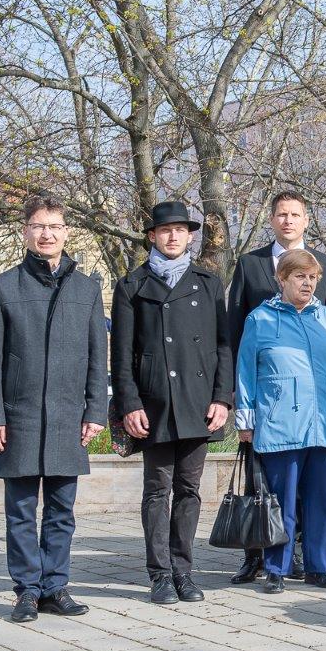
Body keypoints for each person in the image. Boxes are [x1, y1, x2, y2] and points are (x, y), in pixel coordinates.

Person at [0, 196, 107, 624]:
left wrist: (96, 411)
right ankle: (27, 591)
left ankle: (56, 587)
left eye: (54, 226)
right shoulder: (0, 288)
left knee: (62, 509)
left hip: (69, 415)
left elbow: (96, 356)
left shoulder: (87, 288)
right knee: (19, 511)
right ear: (24, 232)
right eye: (37, 226)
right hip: (19, 416)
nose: (46, 234)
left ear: (66, 232)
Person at [110, 201, 232, 605]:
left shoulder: (209, 282)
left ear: (191, 235)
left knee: (189, 489)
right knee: (157, 490)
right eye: (166, 230)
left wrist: (222, 398)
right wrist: (129, 404)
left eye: (181, 230)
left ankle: (184, 570)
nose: (174, 236)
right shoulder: (131, 284)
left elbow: (223, 347)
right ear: (152, 237)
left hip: (199, 402)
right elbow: (122, 354)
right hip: (155, 402)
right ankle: (159, 575)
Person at [227, 190, 326, 585]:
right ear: (282, 279)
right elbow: (245, 370)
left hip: (323, 423)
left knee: (320, 502)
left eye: (313, 278)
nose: (308, 283)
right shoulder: (260, 319)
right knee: (280, 499)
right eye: (300, 277)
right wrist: (245, 418)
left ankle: (318, 567)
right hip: (280, 422)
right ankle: (275, 567)